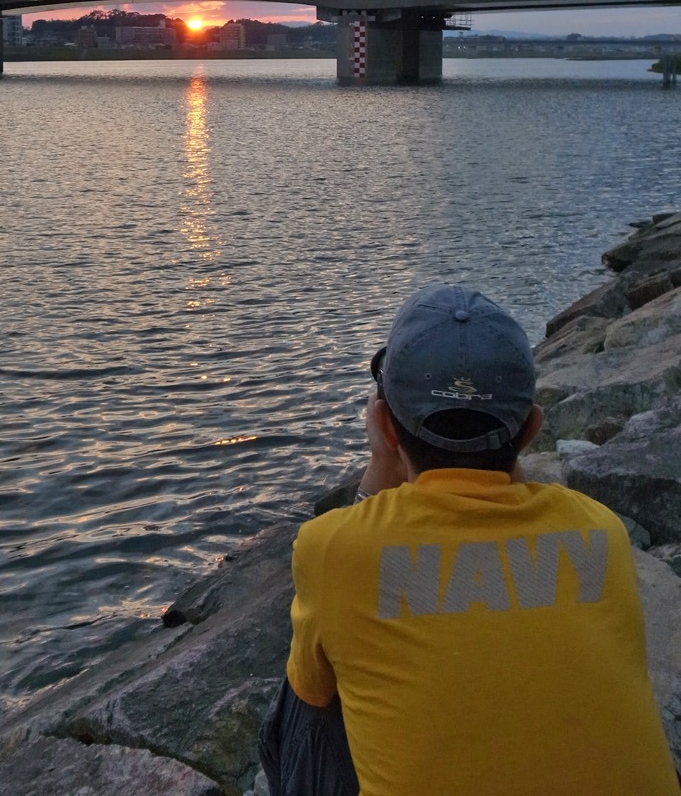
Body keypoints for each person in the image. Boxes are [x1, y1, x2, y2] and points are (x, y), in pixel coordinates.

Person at [260, 284, 678, 796]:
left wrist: (379, 471)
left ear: (384, 426)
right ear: (532, 428)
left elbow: (315, 693)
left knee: (306, 692)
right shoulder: (601, 530)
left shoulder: (333, 547)